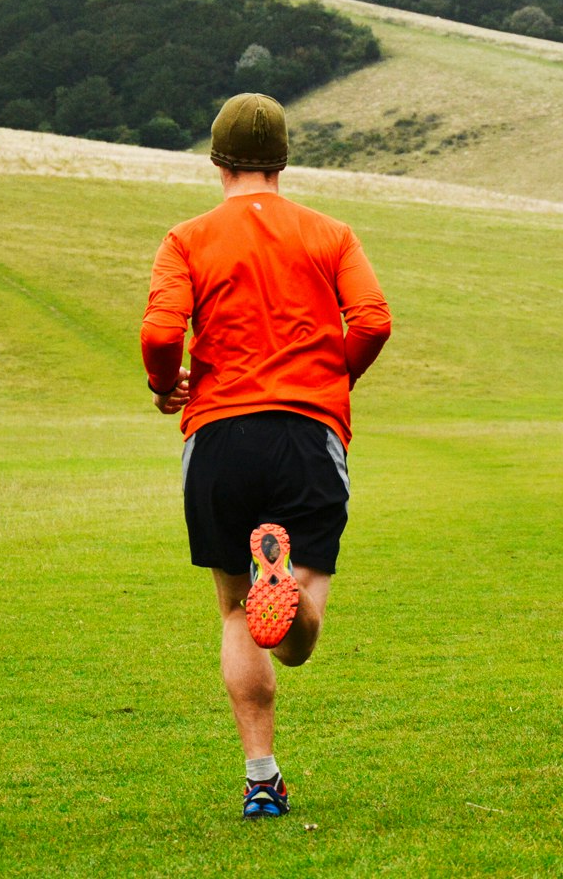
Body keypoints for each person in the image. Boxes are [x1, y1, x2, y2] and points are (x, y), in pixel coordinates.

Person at [140, 92, 392, 819]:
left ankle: (260, 778)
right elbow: (373, 320)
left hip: (219, 436)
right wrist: (333, 375)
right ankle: (282, 584)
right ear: (283, 160)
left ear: (216, 160)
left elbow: (160, 333)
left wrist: (164, 382)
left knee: (233, 611)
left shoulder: (186, 238)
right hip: (306, 433)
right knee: (296, 637)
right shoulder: (331, 234)